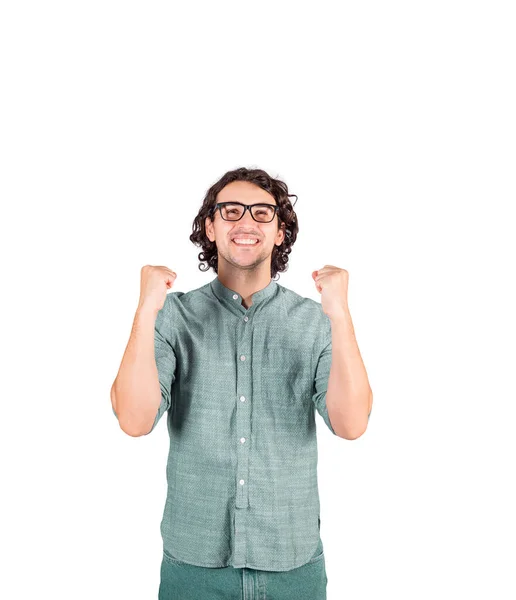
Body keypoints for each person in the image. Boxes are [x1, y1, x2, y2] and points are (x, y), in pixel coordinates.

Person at [110, 166, 373, 600]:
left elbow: (351, 424)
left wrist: (341, 317)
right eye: (230, 211)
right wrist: (145, 310)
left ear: (281, 232)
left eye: (262, 212)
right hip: (194, 567)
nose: (245, 221)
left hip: (292, 565)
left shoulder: (316, 321)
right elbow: (134, 420)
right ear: (210, 228)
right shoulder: (173, 317)